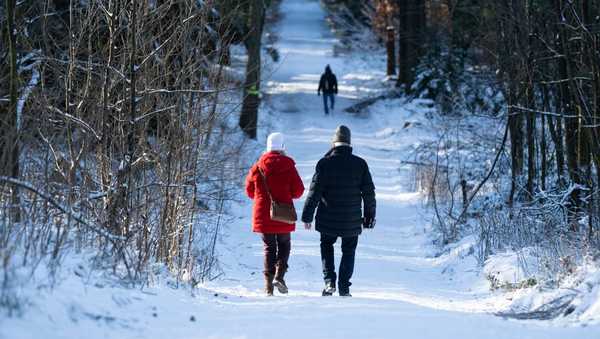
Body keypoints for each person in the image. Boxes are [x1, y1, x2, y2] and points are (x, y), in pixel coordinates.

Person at [301, 125, 376, 297]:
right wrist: (369, 217)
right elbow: (369, 193)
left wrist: (307, 216)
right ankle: (344, 287)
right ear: (349, 143)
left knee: (326, 246)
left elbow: (315, 192)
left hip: (328, 217)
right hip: (351, 218)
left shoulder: (324, 163)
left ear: (333, 143)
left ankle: (329, 282)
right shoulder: (360, 164)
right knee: (349, 250)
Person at [245, 132, 305, 296]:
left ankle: (268, 287)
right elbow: (298, 191)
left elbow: (249, 191)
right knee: (284, 244)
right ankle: (279, 276)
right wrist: (286, 194)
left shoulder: (257, 167)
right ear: (283, 147)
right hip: (283, 213)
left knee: (268, 248)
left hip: (263, 214)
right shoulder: (289, 166)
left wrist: (261, 197)